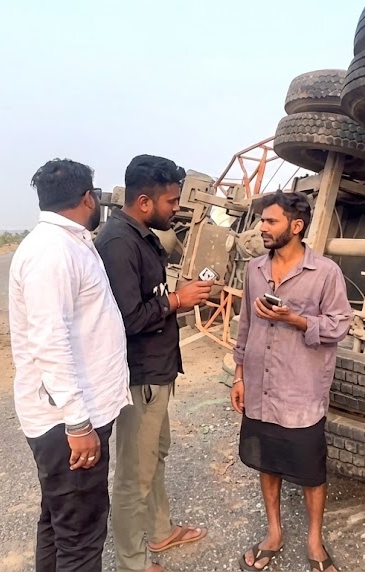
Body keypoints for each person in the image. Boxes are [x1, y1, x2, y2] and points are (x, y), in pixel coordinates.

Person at [8, 158, 132, 572]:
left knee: (59, 522)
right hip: (68, 421)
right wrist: (78, 425)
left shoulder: (68, 242)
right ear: (87, 198)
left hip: (73, 414)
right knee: (80, 537)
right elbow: (50, 342)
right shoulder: (53, 252)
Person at [95, 154, 212, 572]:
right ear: (144, 201)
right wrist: (177, 300)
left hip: (157, 372)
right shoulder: (119, 242)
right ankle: (131, 560)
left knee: (155, 456)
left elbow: (149, 299)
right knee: (135, 473)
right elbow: (126, 319)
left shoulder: (141, 235)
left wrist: (177, 296)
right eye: (172, 202)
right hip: (139, 376)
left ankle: (160, 532)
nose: (176, 209)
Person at [230, 191, 352, 572]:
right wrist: (238, 376)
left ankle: (314, 542)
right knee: (267, 461)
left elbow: (339, 325)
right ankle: (274, 533)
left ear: (296, 226)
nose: (262, 228)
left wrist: (295, 319)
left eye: (271, 221)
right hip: (259, 389)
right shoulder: (255, 269)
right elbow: (245, 325)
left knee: (311, 471)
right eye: (262, 221)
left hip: (301, 394)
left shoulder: (325, 273)